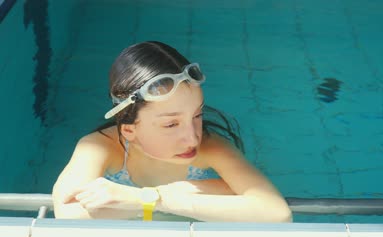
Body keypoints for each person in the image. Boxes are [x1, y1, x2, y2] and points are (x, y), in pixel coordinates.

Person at [52, 41, 292, 222]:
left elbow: (276, 212)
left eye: (197, 115)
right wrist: (213, 190)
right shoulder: (100, 147)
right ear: (129, 130)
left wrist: (151, 198)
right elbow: (67, 215)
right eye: (171, 124)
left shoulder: (211, 146)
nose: (193, 137)